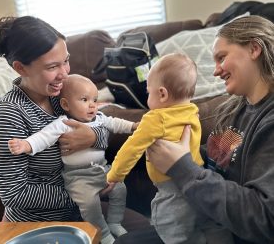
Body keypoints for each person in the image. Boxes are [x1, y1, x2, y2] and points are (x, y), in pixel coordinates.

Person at [116, 15, 274, 244]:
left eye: (222, 58)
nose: (216, 71)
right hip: (210, 221)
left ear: (254, 49)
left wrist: (183, 167)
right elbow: (220, 156)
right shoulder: (237, 108)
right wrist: (173, 144)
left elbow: (264, 219)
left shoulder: (269, 122)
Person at [0, 16, 110, 222]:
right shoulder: (10, 113)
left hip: (84, 210)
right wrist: (82, 195)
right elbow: (14, 193)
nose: (64, 74)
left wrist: (92, 137)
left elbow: (102, 124)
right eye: (52, 67)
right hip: (39, 222)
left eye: (66, 61)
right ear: (21, 68)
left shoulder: (62, 94)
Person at [8, 74, 138, 244]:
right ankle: (103, 232)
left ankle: (114, 222)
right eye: (84, 100)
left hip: (101, 167)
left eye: (95, 99)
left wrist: (134, 126)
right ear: (66, 105)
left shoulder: (99, 118)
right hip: (78, 176)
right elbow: (44, 136)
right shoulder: (63, 123)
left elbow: (116, 123)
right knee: (89, 203)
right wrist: (26, 145)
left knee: (120, 189)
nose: (92, 105)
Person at [106, 53, 206, 244]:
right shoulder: (192, 111)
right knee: (198, 223)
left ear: (162, 94)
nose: (147, 96)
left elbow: (131, 148)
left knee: (170, 230)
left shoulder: (156, 118)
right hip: (198, 180)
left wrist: (114, 175)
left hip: (172, 188)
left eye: (148, 91)